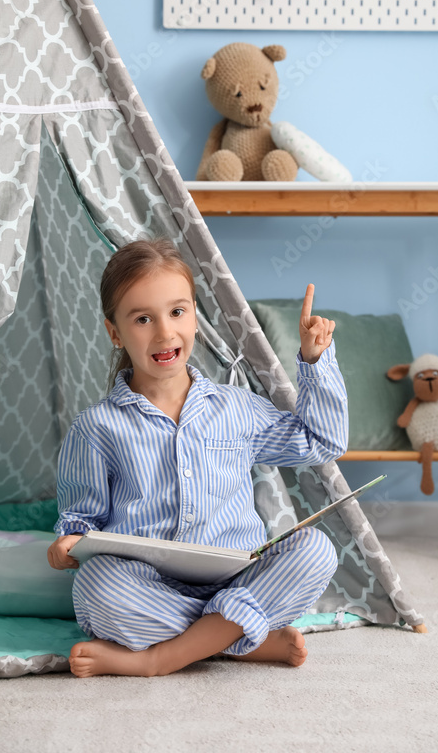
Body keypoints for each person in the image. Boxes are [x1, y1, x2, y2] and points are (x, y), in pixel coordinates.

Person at [47, 237, 348, 678]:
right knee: (96, 587)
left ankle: (160, 658)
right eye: (143, 319)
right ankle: (236, 641)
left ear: (194, 316)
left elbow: (321, 442)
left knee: (317, 550)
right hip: (149, 585)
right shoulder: (96, 427)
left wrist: (314, 361)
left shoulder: (236, 406)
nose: (165, 333)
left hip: (237, 577)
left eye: (177, 312)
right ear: (115, 332)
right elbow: (81, 518)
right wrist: (66, 544)